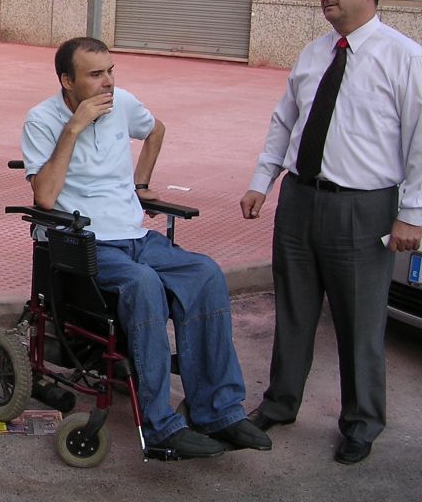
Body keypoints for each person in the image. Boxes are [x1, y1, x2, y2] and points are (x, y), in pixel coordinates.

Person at [22, 37, 270, 459]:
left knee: (205, 273)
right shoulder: (41, 120)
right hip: (83, 242)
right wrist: (74, 127)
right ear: (67, 81)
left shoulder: (124, 104)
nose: (108, 82)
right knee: (144, 284)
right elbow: (44, 196)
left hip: (134, 235)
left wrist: (140, 184)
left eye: (110, 71)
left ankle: (218, 411)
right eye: (95, 75)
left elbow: (156, 129)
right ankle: (159, 426)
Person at [240, 0, 422, 465]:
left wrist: (412, 213)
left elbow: (419, 140)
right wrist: (262, 181)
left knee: (359, 320)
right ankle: (280, 402)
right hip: (299, 199)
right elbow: (285, 121)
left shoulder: (404, 57)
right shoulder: (314, 53)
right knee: (294, 309)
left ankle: (361, 421)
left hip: (363, 208)